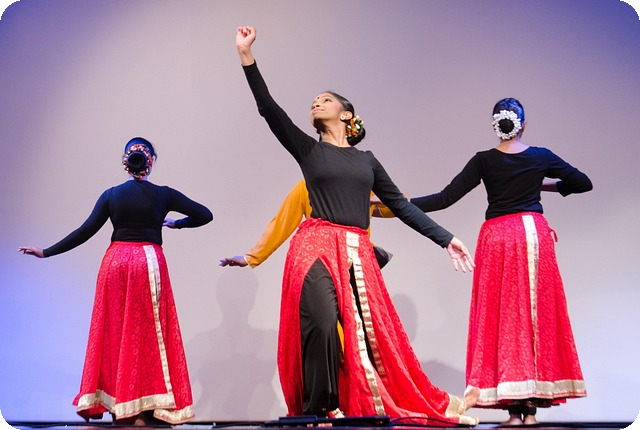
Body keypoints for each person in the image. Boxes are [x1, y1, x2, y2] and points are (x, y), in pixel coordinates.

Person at [235, 26, 479, 426]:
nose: (316, 102)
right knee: (320, 323)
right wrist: (247, 56)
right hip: (314, 246)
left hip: (356, 253)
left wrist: (446, 238)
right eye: (314, 101)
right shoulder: (309, 150)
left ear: (346, 114)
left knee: (371, 337)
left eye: (326, 99)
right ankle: (319, 408)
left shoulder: (367, 161)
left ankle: (378, 402)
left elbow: (401, 206)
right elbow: (269, 109)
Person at [395, 98, 591, 425]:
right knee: (532, 319)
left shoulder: (484, 161)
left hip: (499, 238)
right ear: (523, 125)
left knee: (503, 319)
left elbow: (445, 198)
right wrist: (543, 184)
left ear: (495, 125)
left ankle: (514, 413)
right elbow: (583, 183)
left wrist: (399, 203)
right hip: (532, 236)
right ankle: (529, 414)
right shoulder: (540, 156)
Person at [18, 137, 213, 425]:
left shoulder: (111, 195)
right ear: (150, 163)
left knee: (116, 333)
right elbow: (205, 215)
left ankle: (120, 405)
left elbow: (84, 231)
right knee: (147, 335)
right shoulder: (163, 195)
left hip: (116, 264)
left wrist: (46, 252)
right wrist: (177, 223)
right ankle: (146, 408)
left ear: (125, 162)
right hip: (148, 263)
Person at [219, 179, 394, 269]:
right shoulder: (306, 186)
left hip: (357, 264)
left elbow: (398, 207)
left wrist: (377, 200)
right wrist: (251, 257)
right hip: (323, 264)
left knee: (359, 319)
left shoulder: (362, 187)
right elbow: (282, 223)